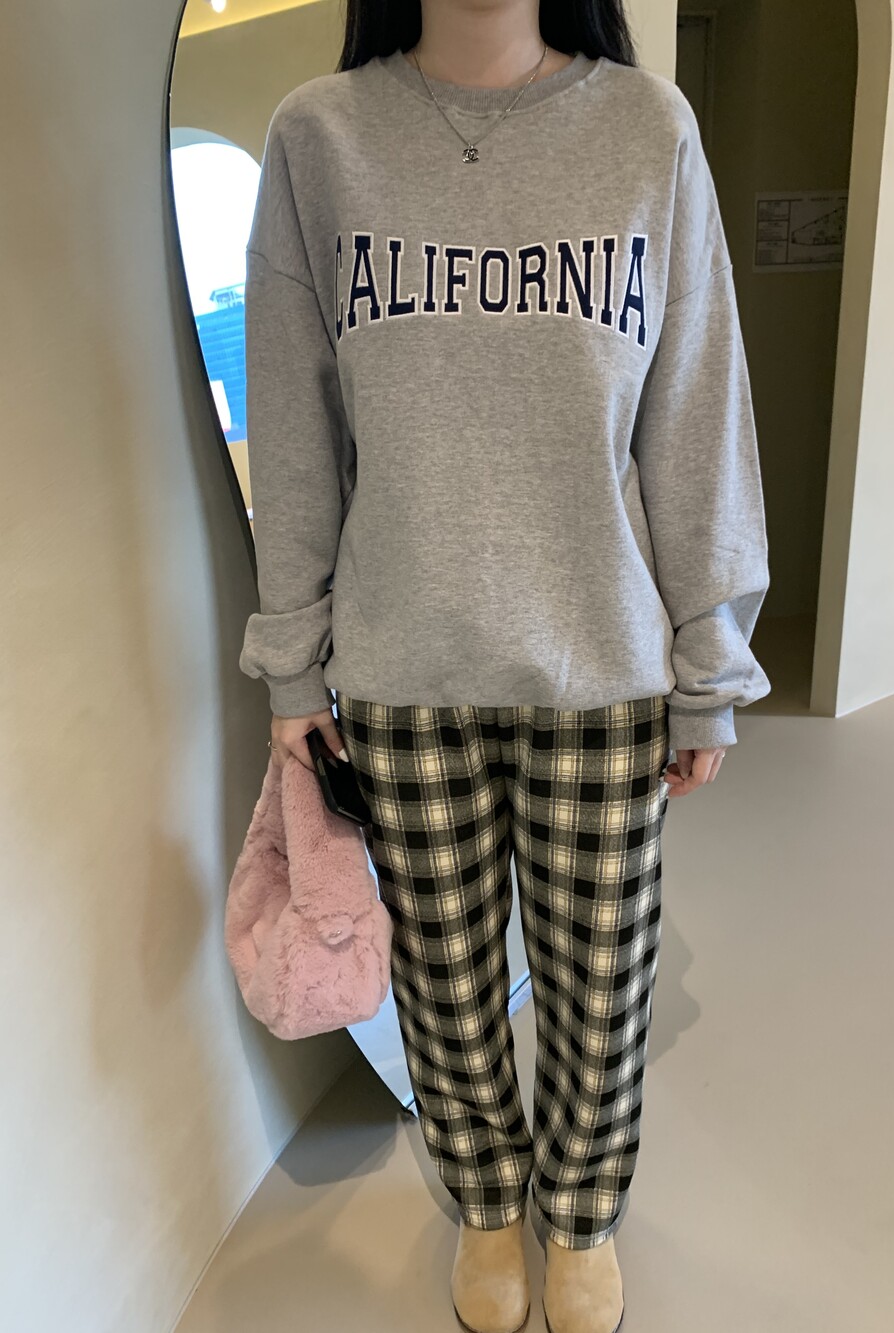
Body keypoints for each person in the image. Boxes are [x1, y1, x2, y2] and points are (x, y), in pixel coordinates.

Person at [238, 3, 770, 1331]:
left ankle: (579, 1212)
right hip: (400, 662)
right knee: (448, 982)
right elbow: (293, 426)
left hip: (602, 663)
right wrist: (294, 665)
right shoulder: (321, 139)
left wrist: (709, 658)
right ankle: (486, 1203)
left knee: (602, 979)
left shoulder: (648, 131)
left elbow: (696, 410)